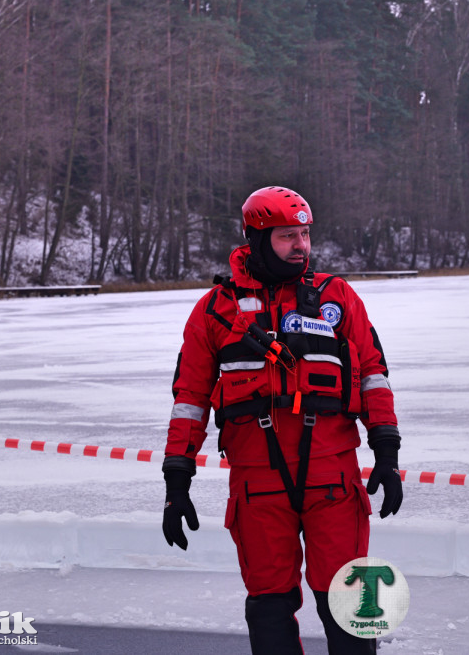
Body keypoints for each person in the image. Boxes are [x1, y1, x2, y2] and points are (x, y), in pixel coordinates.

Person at [161, 186, 403, 654]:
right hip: (257, 484)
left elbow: (374, 374)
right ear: (256, 239)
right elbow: (188, 399)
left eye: (305, 234)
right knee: (268, 606)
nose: (301, 246)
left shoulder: (338, 296)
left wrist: (387, 452)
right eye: (287, 236)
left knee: (353, 602)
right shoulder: (215, 310)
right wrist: (176, 480)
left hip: (334, 477)